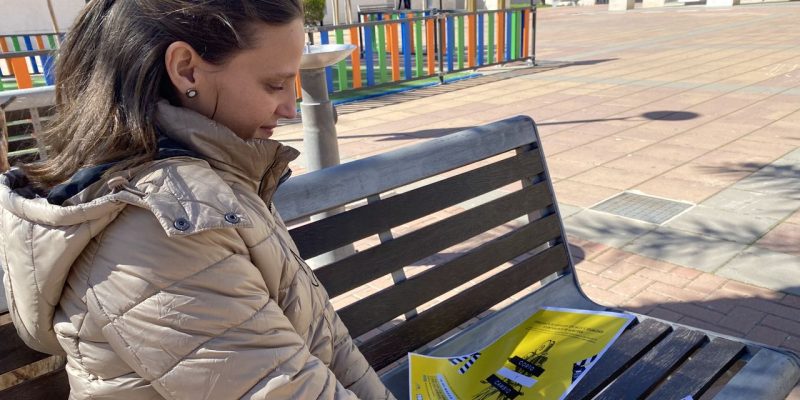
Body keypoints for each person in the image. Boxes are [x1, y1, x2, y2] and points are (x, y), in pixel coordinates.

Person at [0, 1, 395, 399]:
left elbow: (325, 344)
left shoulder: (213, 181)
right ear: (187, 69)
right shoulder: (157, 223)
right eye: (274, 84)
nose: (291, 108)